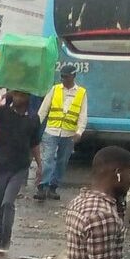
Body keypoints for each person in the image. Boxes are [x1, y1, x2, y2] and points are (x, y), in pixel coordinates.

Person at [0, 87, 42, 254]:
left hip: (19, 168)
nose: (19, 97)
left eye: (23, 94)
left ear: (28, 97)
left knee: (7, 203)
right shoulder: (3, 113)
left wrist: (40, 166)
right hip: (1, 166)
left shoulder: (33, 119)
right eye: (17, 93)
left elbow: (34, 144)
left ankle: (5, 240)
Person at [34, 65, 88, 201]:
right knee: (48, 159)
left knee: (62, 161)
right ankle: (42, 186)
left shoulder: (81, 93)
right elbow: (43, 110)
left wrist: (79, 132)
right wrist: (34, 126)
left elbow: (83, 114)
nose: (63, 79)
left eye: (66, 76)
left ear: (73, 76)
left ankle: (53, 187)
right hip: (51, 130)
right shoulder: (55, 89)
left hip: (68, 133)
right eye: (62, 76)